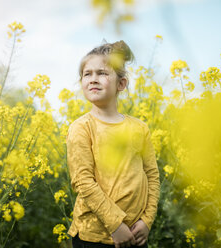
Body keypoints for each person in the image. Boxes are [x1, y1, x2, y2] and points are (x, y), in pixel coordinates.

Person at [66, 40, 160, 248]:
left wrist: (147, 221)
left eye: (102, 73)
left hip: (136, 235)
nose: (93, 79)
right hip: (94, 237)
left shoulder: (139, 128)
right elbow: (83, 182)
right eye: (87, 74)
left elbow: (152, 176)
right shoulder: (81, 128)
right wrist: (115, 225)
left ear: (121, 84)